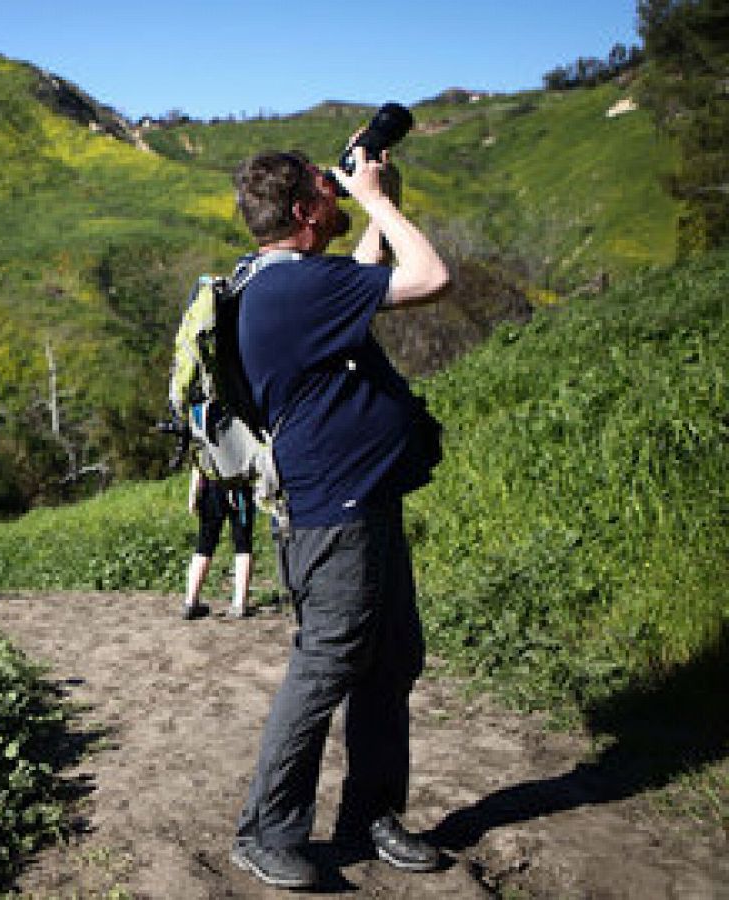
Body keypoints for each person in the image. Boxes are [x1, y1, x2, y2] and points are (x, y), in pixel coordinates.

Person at [225, 143, 451, 890]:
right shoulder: (292, 289)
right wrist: (382, 200)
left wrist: (372, 195)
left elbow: (357, 274)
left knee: (390, 662)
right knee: (325, 668)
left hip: (365, 502)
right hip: (333, 515)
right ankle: (264, 831)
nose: (340, 187)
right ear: (304, 212)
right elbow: (431, 279)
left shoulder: (291, 283)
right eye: (329, 186)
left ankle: (372, 817)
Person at [180, 470, 255, 619]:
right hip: (241, 488)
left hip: (212, 488)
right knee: (243, 545)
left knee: (204, 545)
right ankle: (240, 604)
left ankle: (190, 602)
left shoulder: (208, 444)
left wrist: (193, 494)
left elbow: (199, 464)